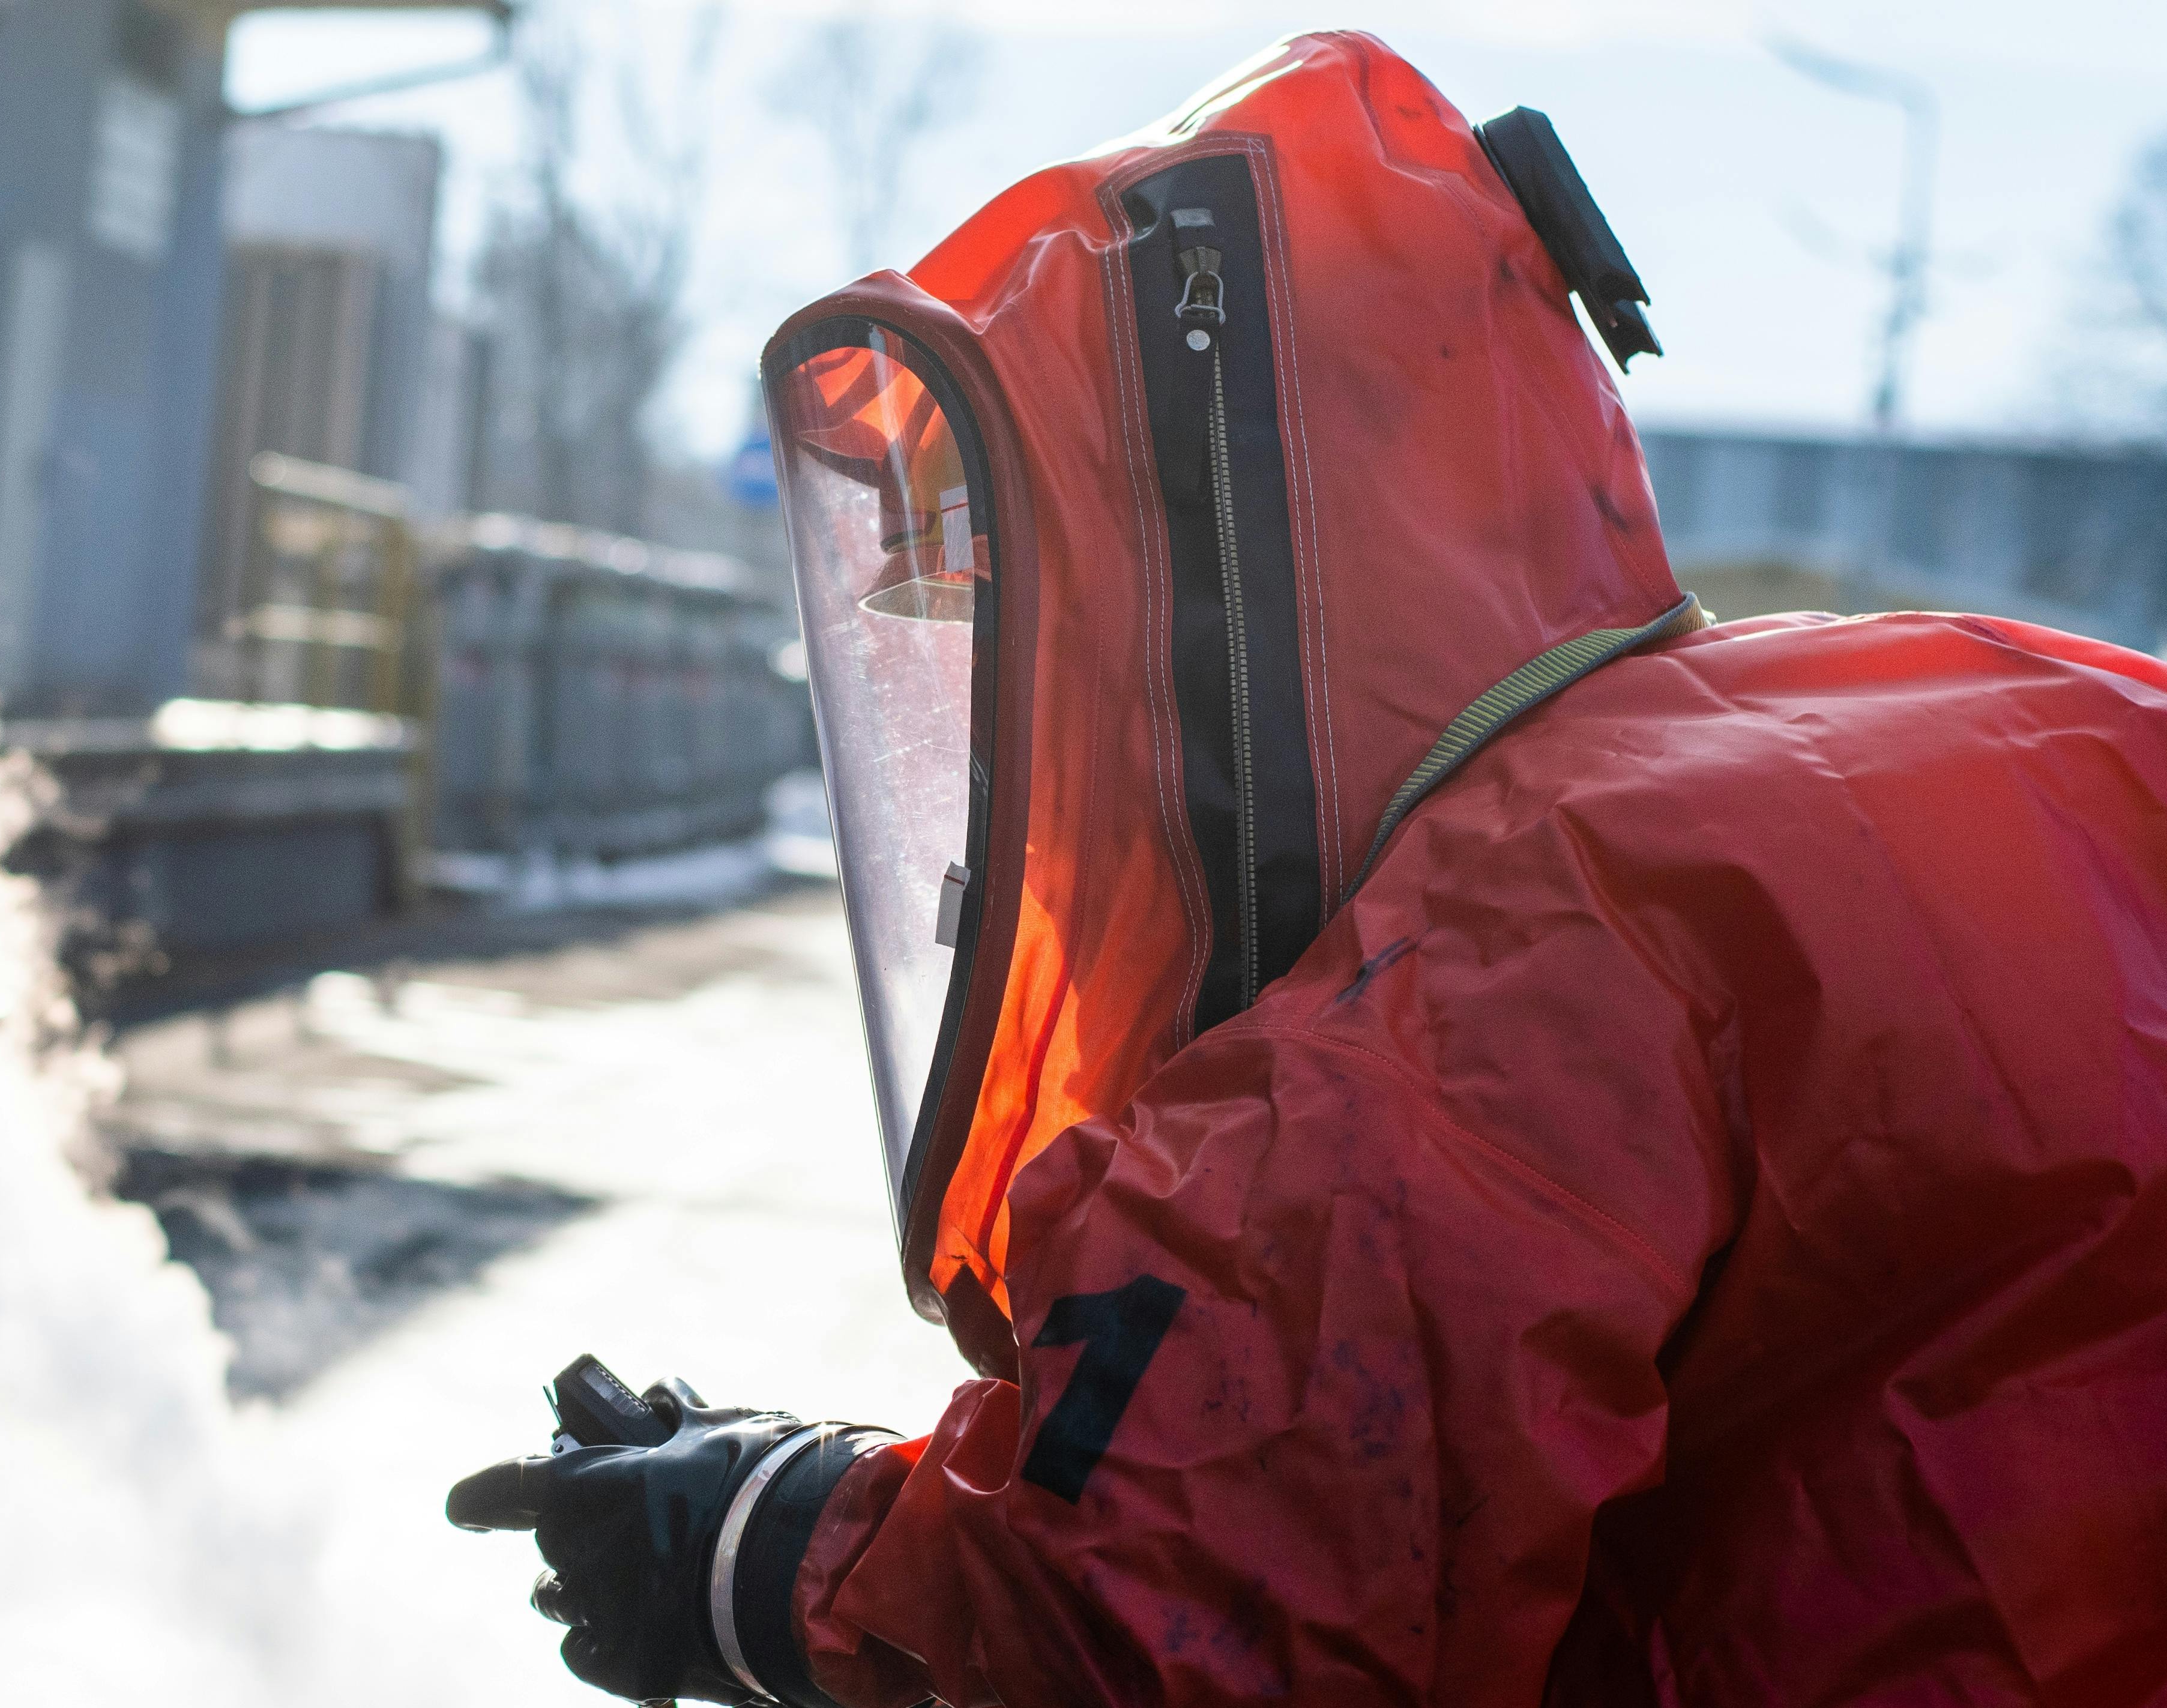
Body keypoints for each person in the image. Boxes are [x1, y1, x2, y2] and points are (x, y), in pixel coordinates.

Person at [449, 31, 2167, 1707]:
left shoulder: (1500, 935)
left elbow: (1182, 1620)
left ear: (1173, 633)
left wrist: (766, 1553)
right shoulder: (1961, 695)